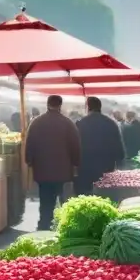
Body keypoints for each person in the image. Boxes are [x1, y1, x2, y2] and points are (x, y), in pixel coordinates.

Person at [25, 94, 81, 231]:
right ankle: (64, 227)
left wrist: (29, 161)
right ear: (60, 105)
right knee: (64, 201)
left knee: (45, 203)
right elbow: (76, 146)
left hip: (42, 171)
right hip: (63, 172)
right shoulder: (68, 123)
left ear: (47, 104)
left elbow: (29, 144)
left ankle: (44, 226)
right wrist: (76, 163)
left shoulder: (36, 123)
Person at [75, 96, 125, 195]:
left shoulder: (80, 124)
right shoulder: (111, 123)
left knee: (85, 198)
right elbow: (119, 150)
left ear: (87, 107)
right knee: (104, 196)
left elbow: (75, 147)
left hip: (85, 169)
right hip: (106, 168)